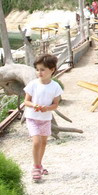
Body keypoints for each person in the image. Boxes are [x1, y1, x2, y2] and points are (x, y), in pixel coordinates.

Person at [22, 53, 63, 183]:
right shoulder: (33, 84)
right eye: (37, 69)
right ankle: (35, 167)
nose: (39, 72)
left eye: (42, 70)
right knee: (36, 142)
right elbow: (26, 101)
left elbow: (55, 104)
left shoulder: (55, 86)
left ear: (52, 70)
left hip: (45, 118)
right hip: (32, 117)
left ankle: (39, 164)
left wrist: (47, 108)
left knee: (44, 143)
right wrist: (34, 105)